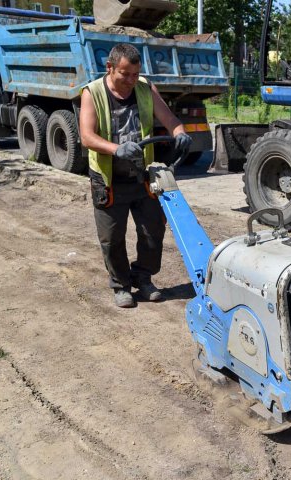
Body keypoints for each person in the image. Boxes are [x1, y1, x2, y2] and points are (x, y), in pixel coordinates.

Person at [80, 43, 192, 308]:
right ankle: (120, 285)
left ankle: (143, 278)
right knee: (112, 237)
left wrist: (180, 133)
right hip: (108, 180)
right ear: (109, 68)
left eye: (135, 74)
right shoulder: (92, 92)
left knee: (153, 232)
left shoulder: (144, 88)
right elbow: (87, 136)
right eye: (125, 74)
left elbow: (171, 120)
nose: (131, 80)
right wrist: (117, 149)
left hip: (142, 177)